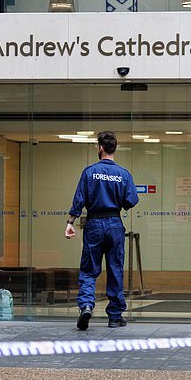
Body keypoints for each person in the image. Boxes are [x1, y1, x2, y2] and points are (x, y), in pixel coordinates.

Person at [65, 131, 139, 330]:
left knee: (89, 269)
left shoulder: (89, 172)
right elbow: (131, 200)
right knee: (115, 269)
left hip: (94, 224)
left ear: (100, 148)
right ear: (114, 148)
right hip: (114, 223)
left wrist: (70, 221)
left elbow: (79, 200)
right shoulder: (124, 174)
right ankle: (115, 316)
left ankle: (87, 305)